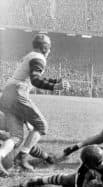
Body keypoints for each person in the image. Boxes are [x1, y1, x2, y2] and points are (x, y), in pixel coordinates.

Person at [0, 34, 69, 172]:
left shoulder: (31, 56)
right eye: (49, 48)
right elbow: (36, 80)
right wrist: (55, 87)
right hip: (17, 92)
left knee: (16, 137)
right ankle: (22, 158)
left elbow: (35, 76)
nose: (49, 51)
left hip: (7, 94)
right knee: (41, 125)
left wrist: (55, 81)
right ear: (45, 48)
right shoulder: (39, 58)